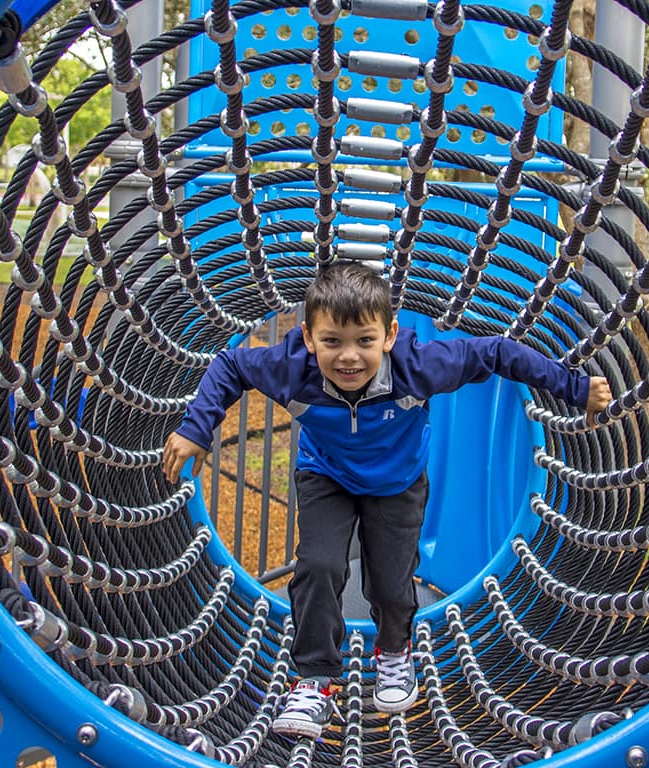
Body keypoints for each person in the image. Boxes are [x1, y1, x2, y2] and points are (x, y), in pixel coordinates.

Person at [163, 262, 611, 739]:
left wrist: (576, 387)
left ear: (390, 334)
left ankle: (394, 654)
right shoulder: (290, 369)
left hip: (397, 482)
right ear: (308, 337)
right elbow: (230, 366)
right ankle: (313, 680)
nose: (348, 357)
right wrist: (196, 427)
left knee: (392, 582)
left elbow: (498, 354)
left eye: (364, 341)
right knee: (318, 565)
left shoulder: (419, 368)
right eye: (332, 341)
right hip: (326, 474)